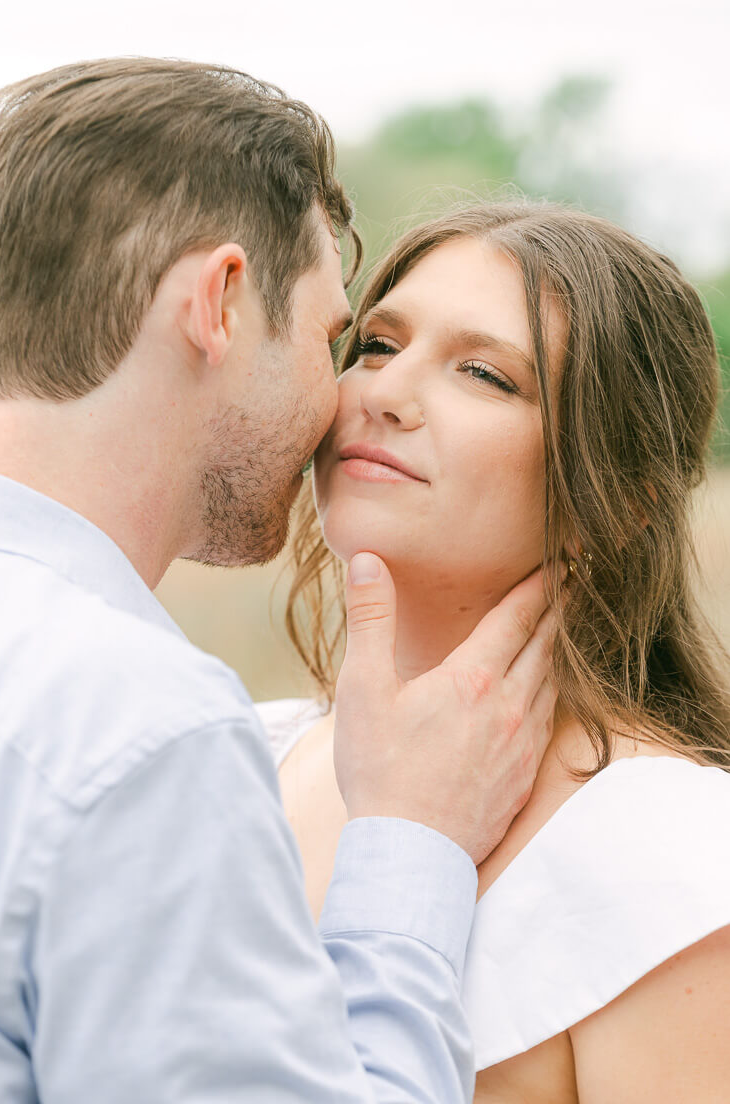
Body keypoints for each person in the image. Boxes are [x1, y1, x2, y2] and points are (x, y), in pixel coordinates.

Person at [0, 60, 557, 1103]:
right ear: (220, 302)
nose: (354, 399)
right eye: (334, 337)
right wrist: (413, 845)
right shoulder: (135, 728)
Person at [257, 201, 730, 1102]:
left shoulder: (678, 857)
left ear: (620, 497)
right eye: (377, 343)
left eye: (482, 373)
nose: (383, 394)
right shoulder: (242, 759)